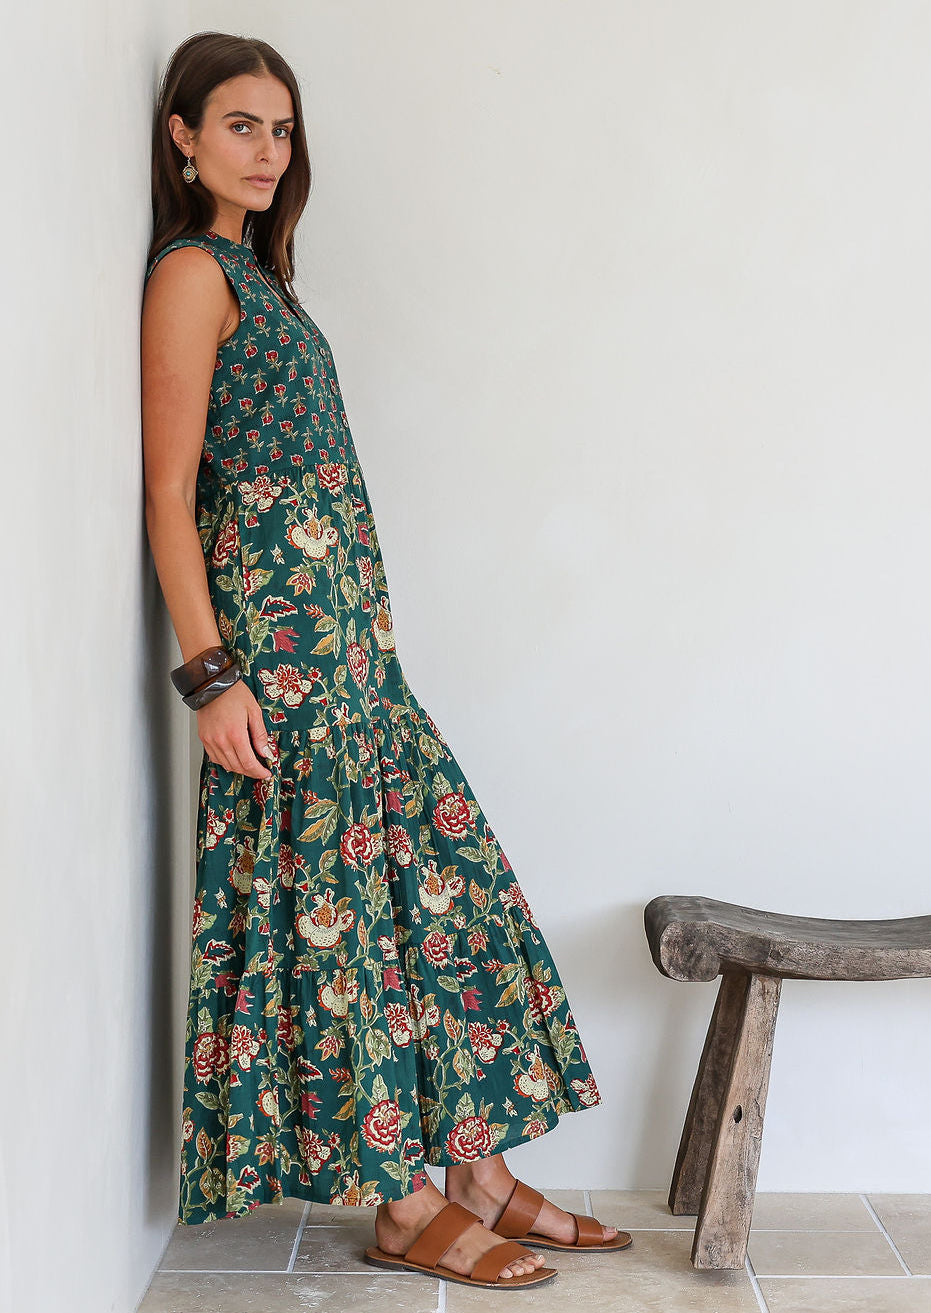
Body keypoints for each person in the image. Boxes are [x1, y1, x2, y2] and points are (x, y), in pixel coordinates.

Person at [141, 30, 630, 1292]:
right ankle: (405, 1205)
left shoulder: (263, 277)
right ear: (182, 136)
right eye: (239, 124)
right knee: (342, 925)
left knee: (433, 896)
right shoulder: (192, 274)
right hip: (280, 661)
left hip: (355, 656)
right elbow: (169, 491)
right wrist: (211, 676)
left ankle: (474, 1171)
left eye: (281, 128)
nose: (267, 150)